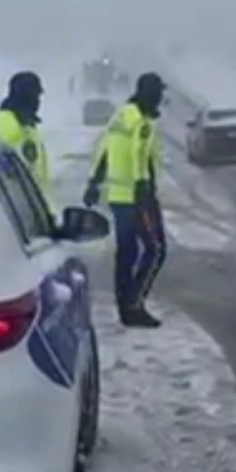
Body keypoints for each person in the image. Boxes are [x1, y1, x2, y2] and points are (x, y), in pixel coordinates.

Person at [83, 72, 167, 328]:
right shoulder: (141, 122)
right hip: (137, 198)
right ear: (152, 94)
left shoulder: (120, 116)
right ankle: (133, 305)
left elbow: (104, 150)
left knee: (127, 252)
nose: (161, 99)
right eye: (159, 94)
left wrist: (94, 182)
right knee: (155, 250)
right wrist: (143, 188)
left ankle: (124, 305)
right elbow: (139, 155)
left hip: (118, 197)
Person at [0, 71, 53, 211]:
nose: (38, 101)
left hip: (31, 207)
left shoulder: (25, 124)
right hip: (18, 209)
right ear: (27, 97)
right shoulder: (7, 124)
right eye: (36, 96)